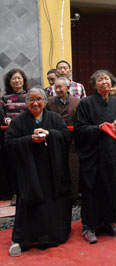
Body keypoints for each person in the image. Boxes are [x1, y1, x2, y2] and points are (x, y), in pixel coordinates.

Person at [5, 88, 72, 257]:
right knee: (28, 202)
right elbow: (9, 143)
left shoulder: (55, 118)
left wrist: (50, 134)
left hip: (51, 169)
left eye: (39, 99)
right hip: (29, 172)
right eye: (31, 100)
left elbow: (65, 136)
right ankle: (24, 238)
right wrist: (29, 139)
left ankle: (51, 236)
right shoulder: (18, 122)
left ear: (45, 101)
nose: (35, 103)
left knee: (51, 203)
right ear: (26, 102)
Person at [74, 70, 116, 244]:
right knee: (92, 190)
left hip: (112, 154)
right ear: (94, 84)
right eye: (100, 79)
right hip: (93, 155)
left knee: (111, 187)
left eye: (106, 79)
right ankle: (88, 226)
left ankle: (108, 221)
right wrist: (100, 127)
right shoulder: (86, 103)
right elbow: (79, 129)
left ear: (112, 83)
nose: (104, 81)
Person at [47, 77, 81, 200]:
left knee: (73, 167)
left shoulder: (77, 101)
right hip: (55, 139)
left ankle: (74, 195)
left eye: (60, 87)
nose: (58, 89)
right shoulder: (49, 102)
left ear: (68, 87)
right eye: (56, 87)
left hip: (72, 140)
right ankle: (58, 194)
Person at [1, 68, 30, 206]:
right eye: (14, 78)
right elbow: (3, 116)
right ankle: (15, 193)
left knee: (28, 164)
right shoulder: (4, 98)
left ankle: (29, 192)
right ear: (9, 82)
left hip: (28, 134)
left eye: (19, 78)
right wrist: (7, 121)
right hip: (12, 135)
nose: (17, 80)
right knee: (13, 165)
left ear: (24, 80)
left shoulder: (30, 96)